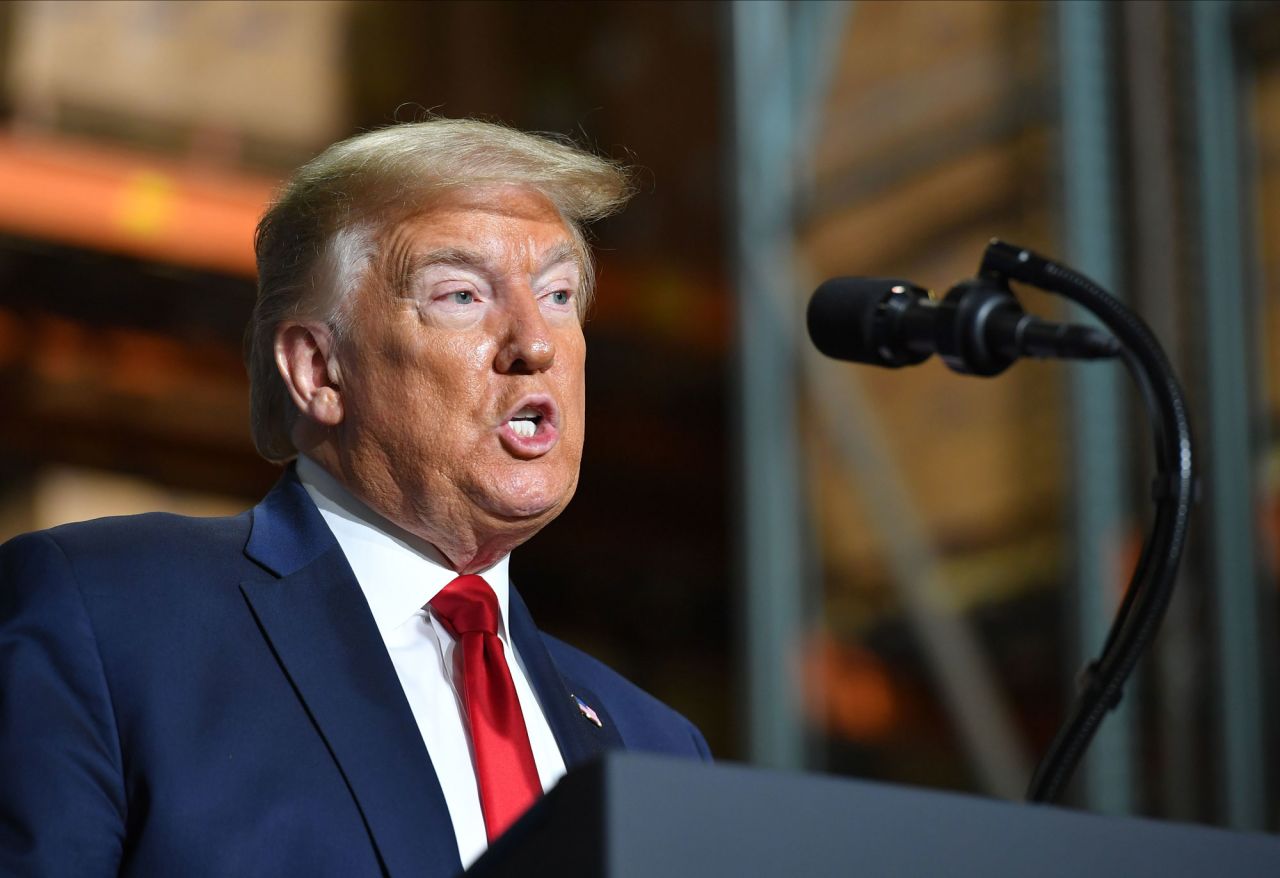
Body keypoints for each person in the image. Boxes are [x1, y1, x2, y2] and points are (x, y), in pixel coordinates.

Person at [0, 118, 711, 877]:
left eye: (559, 293)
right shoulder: (110, 620)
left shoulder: (656, 747)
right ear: (318, 371)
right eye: (463, 294)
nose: (535, 343)